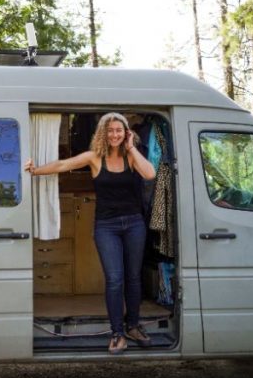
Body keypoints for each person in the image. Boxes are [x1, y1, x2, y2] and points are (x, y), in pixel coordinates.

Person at [25, 112, 156, 353]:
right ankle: (118, 333)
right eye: (111, 130)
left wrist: (131, 148)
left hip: (134, 223)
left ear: (126, 132)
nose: (114, 134)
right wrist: (35, 170)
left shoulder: (132, 157)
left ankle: (134, 326)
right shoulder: (95, 157)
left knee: (134, 278)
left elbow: (150, 174)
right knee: (116, 279)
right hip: (107, 226)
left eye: (119, 130)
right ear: (103, 133)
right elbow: (64, 164)